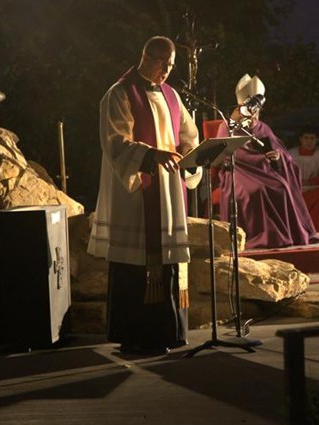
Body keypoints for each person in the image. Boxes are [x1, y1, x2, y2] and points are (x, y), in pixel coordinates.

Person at [87, 36, 202, 356]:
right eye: (162, 63)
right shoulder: (119, 93)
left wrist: (193, 155)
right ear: (146, 57)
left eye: (171, 65)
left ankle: (170, 332)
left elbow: (188, 136)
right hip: (139, 194)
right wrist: (151, 156)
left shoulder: (172, 96)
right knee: (137, 265)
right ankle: (136, 335)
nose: (166, 70)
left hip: (169, 191)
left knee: (170, 263)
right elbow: (114, 142)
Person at [215, 74, 319, 249]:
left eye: (256, 110)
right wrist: (255, 157)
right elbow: (221, 153)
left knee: (282, 187)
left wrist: (277, 156)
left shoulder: (263, 127)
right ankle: (261, 236)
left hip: (264, 171)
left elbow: (282, 153)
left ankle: (282, 234)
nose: (254, 114)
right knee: (257, 191)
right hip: (238, 171)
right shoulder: (227, 126)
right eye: (249, 110)